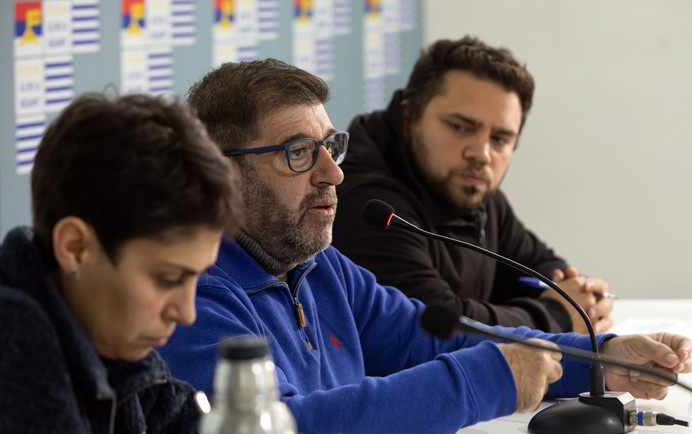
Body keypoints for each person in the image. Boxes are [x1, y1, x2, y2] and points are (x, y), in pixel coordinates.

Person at [159, 59, 691, 434]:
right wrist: (484, 379)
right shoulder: (188, 296)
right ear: (224, 173)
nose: (334, 173)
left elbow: (431, 338)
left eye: (330, 146)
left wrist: (600, 358)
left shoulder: (318, 267)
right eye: (300, 152)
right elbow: (280, 427)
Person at [0, 93, 242, 432]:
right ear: (75, 248)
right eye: (168, 279)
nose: (186, 313)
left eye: (196, 277)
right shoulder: (9, 334)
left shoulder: (111, 341)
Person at [333, 36, 612, 335]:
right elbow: (438, 328)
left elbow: (535, 267)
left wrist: (578, 294)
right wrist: (558, 314)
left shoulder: (472, 189)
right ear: (409, 115)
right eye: (460, 127)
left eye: (500, 139)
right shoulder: (370, 207)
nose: (481, 154)